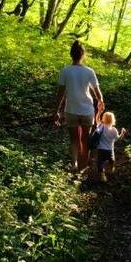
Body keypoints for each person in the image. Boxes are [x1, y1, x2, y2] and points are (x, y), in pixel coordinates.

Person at [54, 40, 104, 172]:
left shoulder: (65, 70)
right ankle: (83, 167)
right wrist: (100, 103)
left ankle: (74, 164)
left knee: (74, 140)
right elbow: (98, 94)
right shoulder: (89, 71)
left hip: (71, 110)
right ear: (83, 55)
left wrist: (56, 111)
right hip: (87, 111)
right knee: (85, 140)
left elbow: (60, 94)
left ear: (71, 55)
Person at [94, 111, 127, 182]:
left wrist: (99, 112)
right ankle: (111, 168)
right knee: (112, 160)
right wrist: (122, 133)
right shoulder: (114, 130)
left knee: (100, 162)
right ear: (113, 120)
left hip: (101, 149)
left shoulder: (101, 126)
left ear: (103, 119)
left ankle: (102, 176)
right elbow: (118, 138)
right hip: (109, 150)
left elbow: (96, 119)